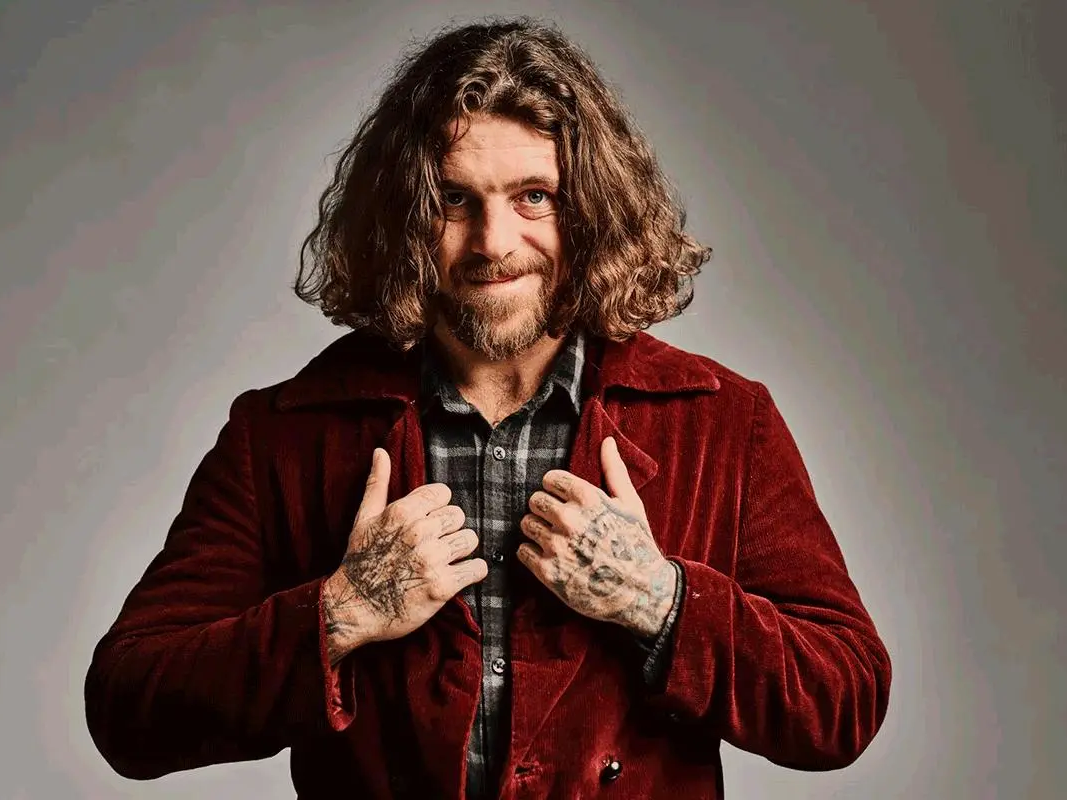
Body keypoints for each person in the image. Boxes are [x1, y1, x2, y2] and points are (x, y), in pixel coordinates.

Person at [84, 17, 891, 799]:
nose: (493, 242)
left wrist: (661, 601)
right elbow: (128, 707)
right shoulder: (286, 435)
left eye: (533, 196)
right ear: (403, 215)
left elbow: (844, 699)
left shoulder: (720, 422)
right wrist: (338, 613)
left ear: (590, 209)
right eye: (453, 200)